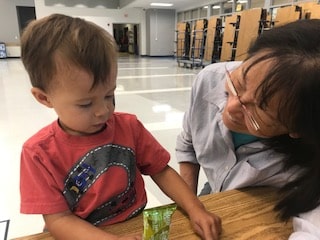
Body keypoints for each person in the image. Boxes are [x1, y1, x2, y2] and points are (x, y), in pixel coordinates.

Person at [19, 14, 221, 240]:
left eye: (109, 95)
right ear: (44, 98)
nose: (103, 111)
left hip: (134, 224)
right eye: (85, 104)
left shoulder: (128, 126)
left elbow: (161, 170)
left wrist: (196, 208)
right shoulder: (38, 154)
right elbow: (58, 220)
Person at [176, 19, 320, 239]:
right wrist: (191, 205)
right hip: (214, 190)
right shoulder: (210, 77)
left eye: (259, 109)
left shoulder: (308, 162)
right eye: (238, 83)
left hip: (263, 205)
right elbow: (188, 146)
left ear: (296, 128)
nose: (231, 107)